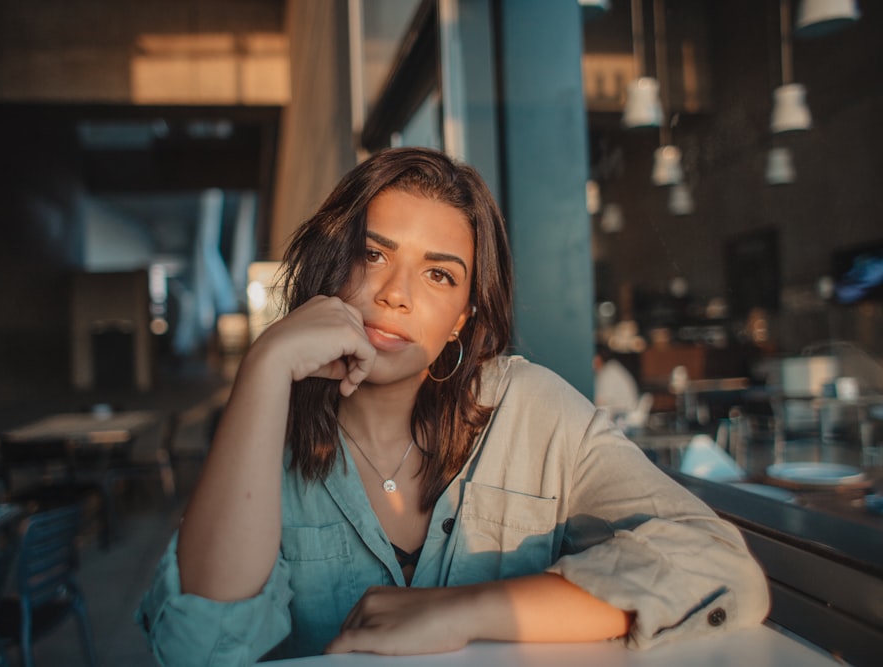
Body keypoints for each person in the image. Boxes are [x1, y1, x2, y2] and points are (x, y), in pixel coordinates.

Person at [137, 147, 769, 665]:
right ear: (332, 270)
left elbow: (719, 563)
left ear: (461, 319)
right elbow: (197, 649)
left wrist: (464, 612)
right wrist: (266, 365)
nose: (394, 295)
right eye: (373, 254)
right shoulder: (266, 427)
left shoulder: (530, 410)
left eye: (438, 274)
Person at [593, 344, 640, 418]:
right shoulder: (612, 367)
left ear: (598, 358)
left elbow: (600, 403)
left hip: (624, 417)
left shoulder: (607, 373)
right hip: (625, 414)